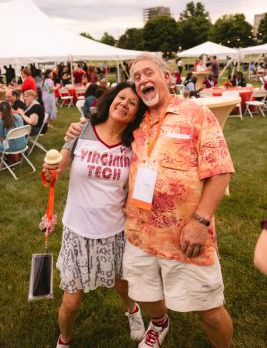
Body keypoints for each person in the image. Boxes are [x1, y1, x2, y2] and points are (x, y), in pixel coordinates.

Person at [66, 53, 234, 348]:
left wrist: (201, 221)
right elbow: (107, 128)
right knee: (146, 294)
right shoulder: (137, 122)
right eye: (137, 76)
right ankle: (159, 323)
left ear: (166, 78)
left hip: (185, 237)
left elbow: (220, 171)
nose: (142, 79)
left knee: (209, 309)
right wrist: (79, 131)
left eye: (148, 73)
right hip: (139, 235)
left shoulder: (196, 114)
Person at [43, 82, 147, 348]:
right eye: (121, 97)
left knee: (123, 285)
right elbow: (59, 169)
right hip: (77, 231)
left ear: (136, 113)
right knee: (71, 301)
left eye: (132, 103)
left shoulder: (134, 144)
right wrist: (50, 169)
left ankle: (133, 312)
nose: (124, 103)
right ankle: (64, 340)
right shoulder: (82, 129)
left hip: (114, 231)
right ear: (111, 100)